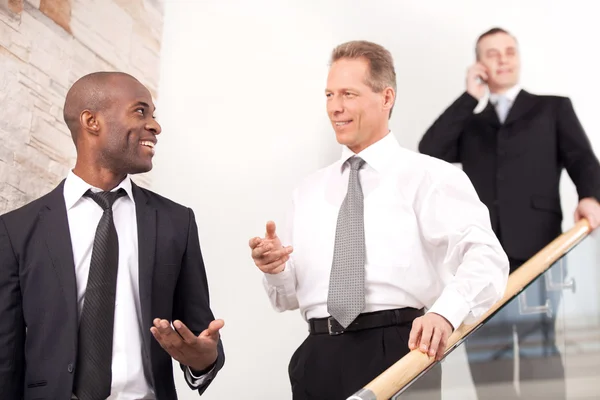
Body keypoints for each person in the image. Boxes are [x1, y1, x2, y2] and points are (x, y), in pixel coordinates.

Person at [249, 40, 509, 400]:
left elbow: (486, 257)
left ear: (386, 98)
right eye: (329, 94)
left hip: (400, 352)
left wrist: (445, 315)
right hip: (316, 358)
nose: (335, 107)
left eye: (348, 94)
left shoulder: (430, 176)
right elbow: (288, 297)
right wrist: (275, 268)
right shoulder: (307, 191)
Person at [0, 71, 225, 399]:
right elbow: (5, 357)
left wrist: (205, 360)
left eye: (153, 115)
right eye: (140, 111)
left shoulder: (177, 223)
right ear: (92, 121)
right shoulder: (17, 230)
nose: (155, 126)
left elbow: (200, 337)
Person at [419, 27, 600, 399]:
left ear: (518, 58)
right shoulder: (470, 121)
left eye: (509, 51)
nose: (502, 58)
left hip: (540, 247)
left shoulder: (552, 108)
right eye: (492, 53)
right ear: (479, 64)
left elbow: (583, 160)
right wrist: (470, 97)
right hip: (480, 254)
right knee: (486, 348)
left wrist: (591, 197)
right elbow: (429, 150)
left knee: (538, 346)